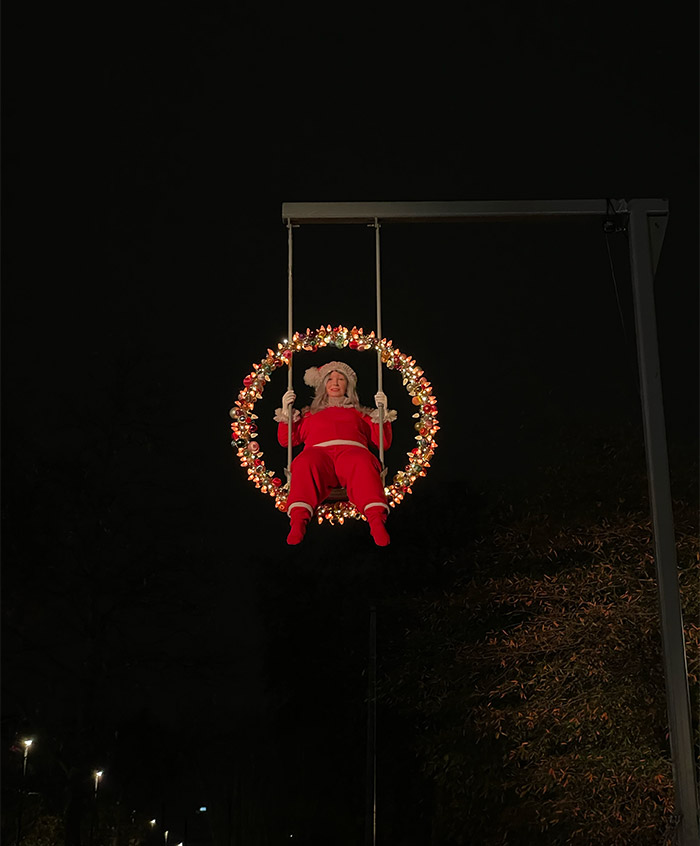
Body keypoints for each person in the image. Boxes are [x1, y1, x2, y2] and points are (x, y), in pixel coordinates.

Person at [275, 361, 396, 546]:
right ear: (323, 384)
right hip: (319, 454)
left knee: (363, 462)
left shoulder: (360, 413)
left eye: (341, 379)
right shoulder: (309, 414)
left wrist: (382, 413)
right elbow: (287, 440)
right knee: (305, 462)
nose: (335, 383)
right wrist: (286, 411)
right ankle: (298, 522)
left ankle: (377, 522)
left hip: (352, 451)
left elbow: (383, 442)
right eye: (330, 379)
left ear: (348, 385)